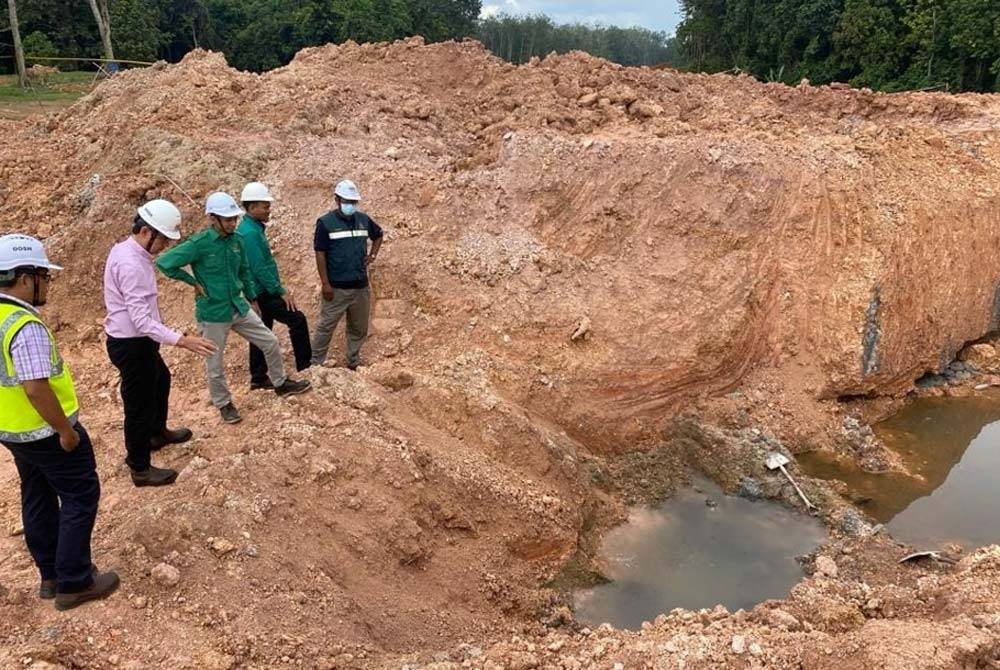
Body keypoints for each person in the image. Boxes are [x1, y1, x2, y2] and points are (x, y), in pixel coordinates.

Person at [0, 234, 119, 610]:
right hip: (47, 431)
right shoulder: (24, 325)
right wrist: (65, 431)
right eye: (43, 276)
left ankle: (50, 575)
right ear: (23, 277)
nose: (48, 283)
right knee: (80, 494)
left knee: (36, 494)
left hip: (13, 430)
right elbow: (36, 388)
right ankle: (74, 581)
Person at [156, 192, 311, 425]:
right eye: (227, 219)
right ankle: (224, 403)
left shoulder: (237, 240)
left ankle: (280, 383)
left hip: (238, 306)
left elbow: (245, 271)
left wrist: (252, 298)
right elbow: (164, 263)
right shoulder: (199, 244)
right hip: (213, 313)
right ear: (213, 219)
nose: (232, 223)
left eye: (234, 219)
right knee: (215, 363)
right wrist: (193, 282)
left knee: (269, 341)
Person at [103, 200, 217, 487]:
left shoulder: (128, 251)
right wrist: (183, 340)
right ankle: (140, 468)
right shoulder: (131, 265)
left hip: (138, 341)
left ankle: (156, 433)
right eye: (163, 238)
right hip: (132, 343)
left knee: (161, 380)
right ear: (145, 232)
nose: (165, 245)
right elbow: (141, 321)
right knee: (138, 404)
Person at [236, 182, 311, 390]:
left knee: (261, 331)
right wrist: (280, 290)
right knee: (297, 319)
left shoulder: (251, 228)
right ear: (251, 208)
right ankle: (305, 367)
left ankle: (258, 378)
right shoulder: (250, 233)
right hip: (263, 291)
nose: (269, 210)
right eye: (265, 206)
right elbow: (259, 268)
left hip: (259, 291)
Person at [310, 179, 383, 370]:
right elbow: (320, 253)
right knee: (326, 326)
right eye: (346, 201)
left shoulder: (363, 220)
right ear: (337, 199)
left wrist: (372, 255)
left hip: (360, 287)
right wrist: (325, 283)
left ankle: (353, 361)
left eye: (353, 202)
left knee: (359, 328)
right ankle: (315, 363)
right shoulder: (325, 223)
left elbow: (378, 234)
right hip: (336, 288)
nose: (350, 205)